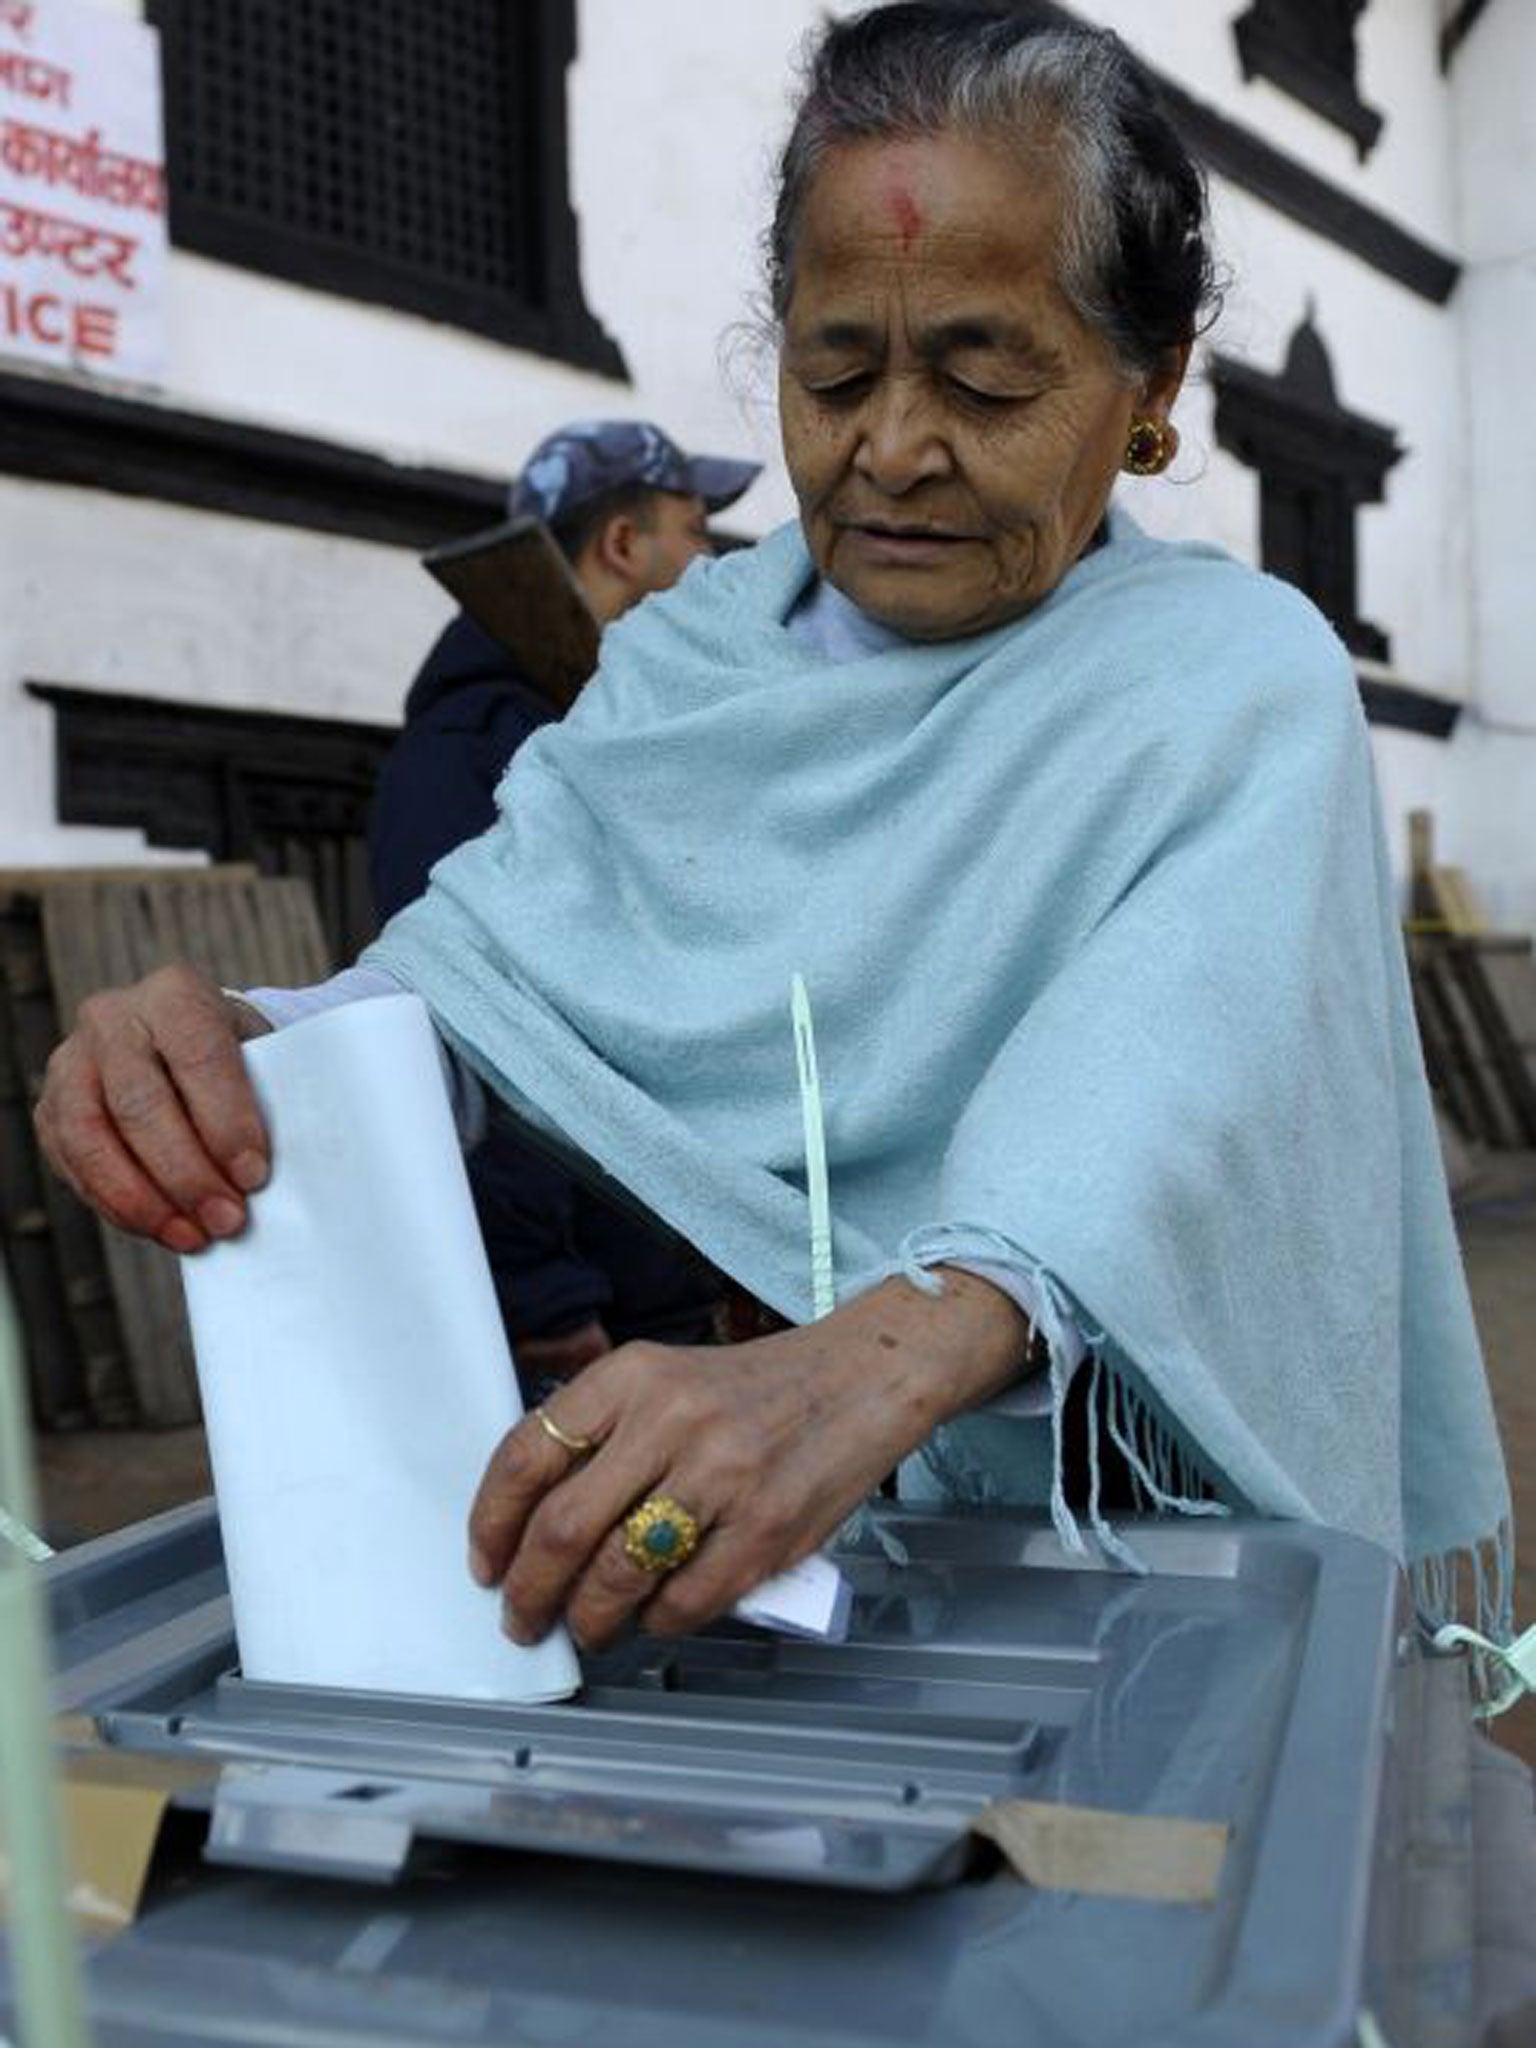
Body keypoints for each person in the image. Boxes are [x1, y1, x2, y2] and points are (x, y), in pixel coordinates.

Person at [37, 5, 1510, 1675]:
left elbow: (1160, 1086)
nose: (890, 447)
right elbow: (481, 993)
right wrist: (241, 1045)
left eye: (986, 377)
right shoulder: (688, 658)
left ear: (1150, 383)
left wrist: (868, 1362)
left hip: (1134, 1569)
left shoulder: (1235, 687)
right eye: (834, 370)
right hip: (757, 1577)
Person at [368, 422, 760, 1387]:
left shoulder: (593, 730)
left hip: (666, 1281)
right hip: (599, 1316)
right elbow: (465, 1021)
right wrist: (546, 1295)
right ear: (624, 547)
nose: (712, 561)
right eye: (696, 532)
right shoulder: (478, 752)